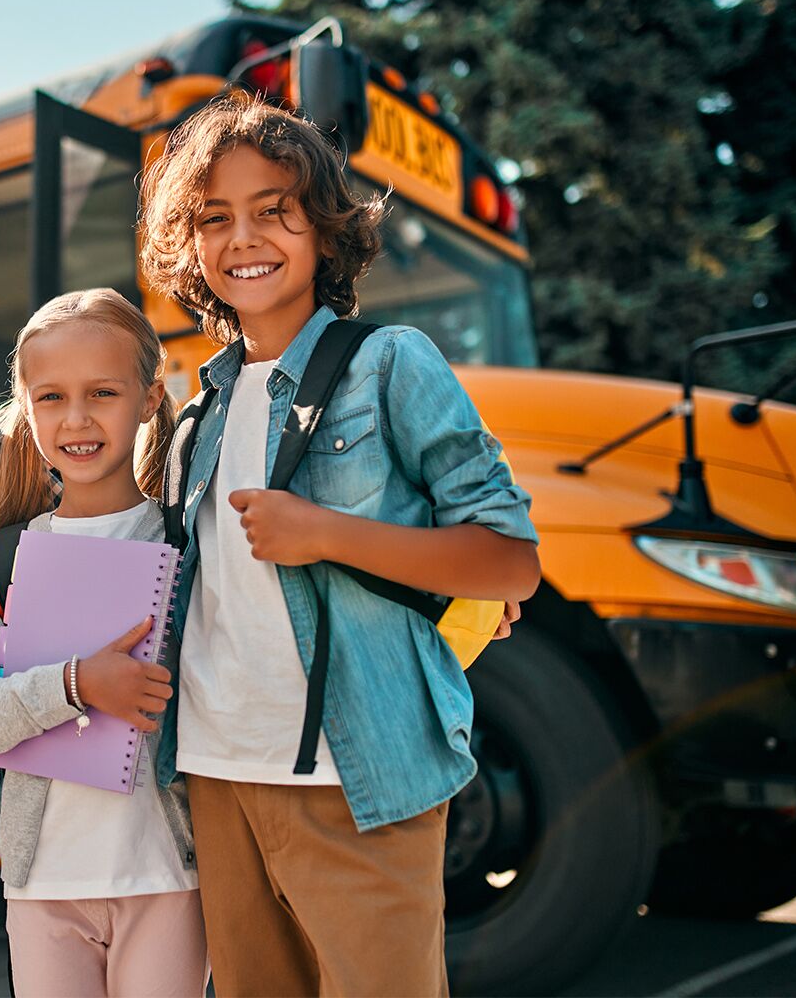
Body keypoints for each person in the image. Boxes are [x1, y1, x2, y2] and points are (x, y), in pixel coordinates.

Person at [136, 95, 541, 997]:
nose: (244, 236)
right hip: (213, 771)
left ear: (325, 231)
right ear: (190, 246)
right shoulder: (192, 411)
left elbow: (509, 558)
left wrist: (324, 533)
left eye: (274, 209)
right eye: (214, 218)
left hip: (352, 774)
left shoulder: (389, 363)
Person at [0, 288, 207, 998]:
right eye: (51, 397)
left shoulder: (187, 547)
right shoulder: (6, 557)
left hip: (170, 877)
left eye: (103, 393)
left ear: (150, 400)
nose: (77, 419)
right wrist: (76, 686)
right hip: (42, 884)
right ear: (27, 409)